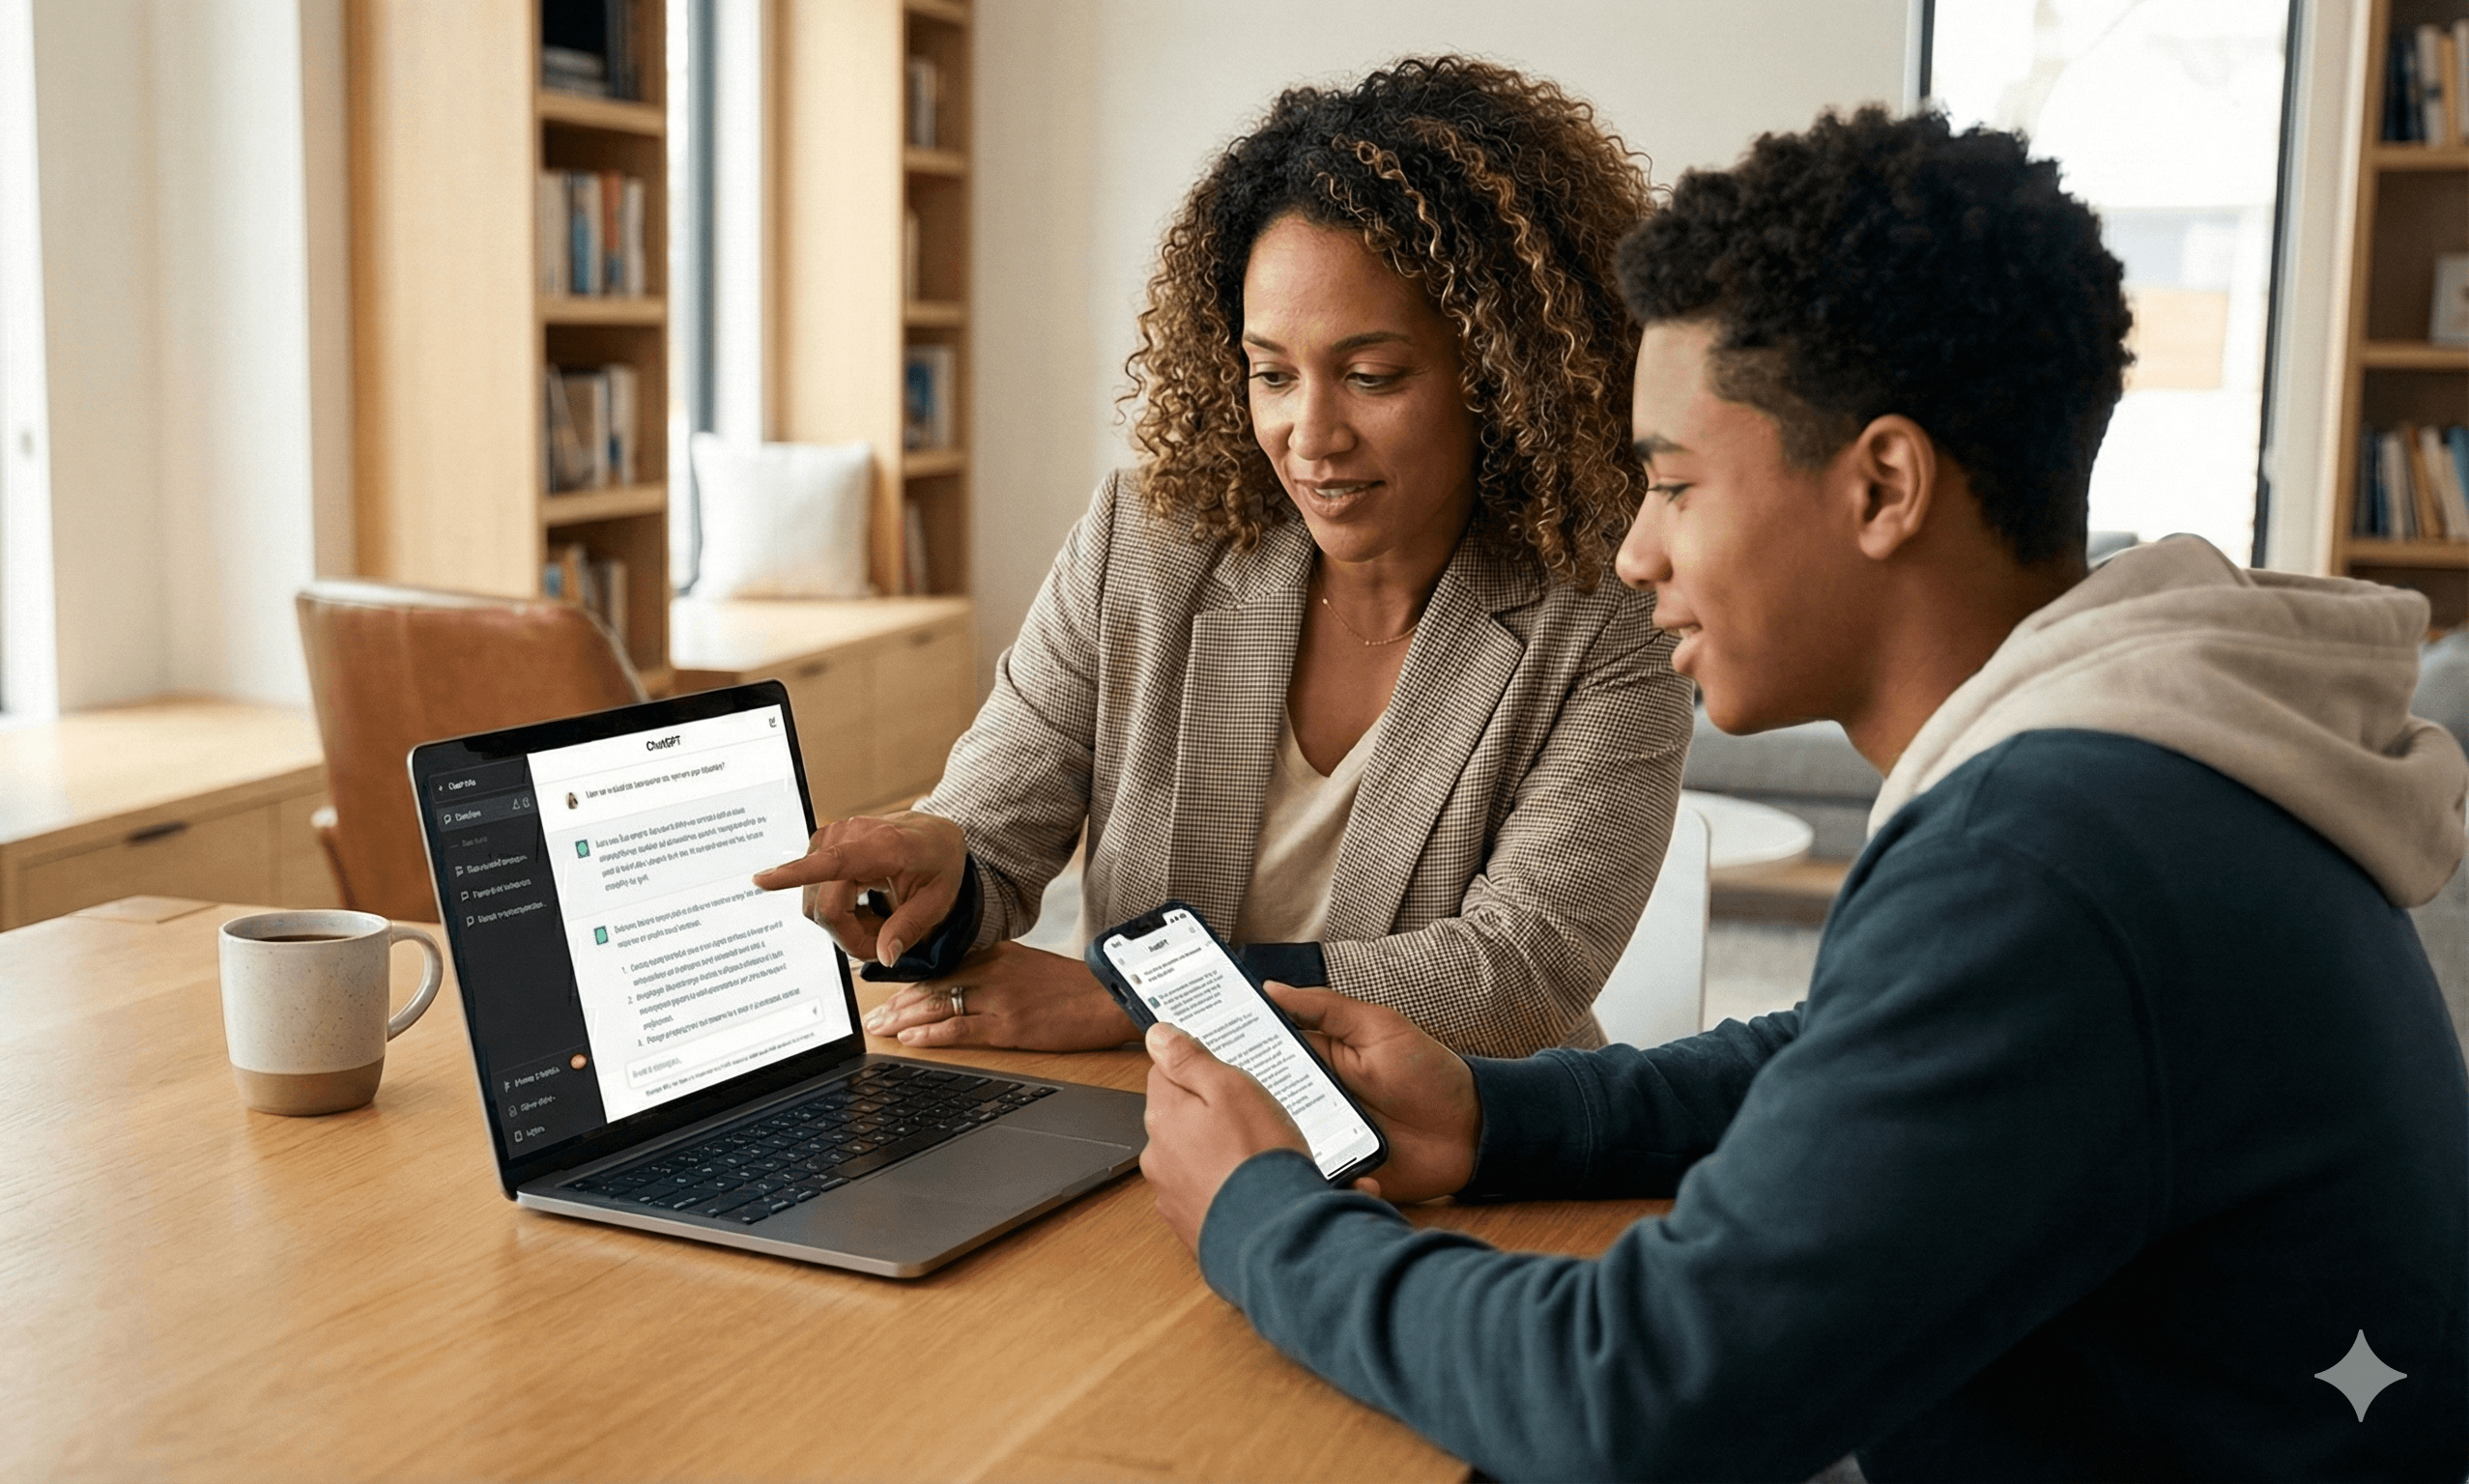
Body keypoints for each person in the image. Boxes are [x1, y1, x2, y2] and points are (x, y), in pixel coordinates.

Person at [1134, 105, 2469, 1480]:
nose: (1638, 553)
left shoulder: (2052, 865)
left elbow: (1634, 1393)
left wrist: (1259, 1211)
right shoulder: (2140, 770)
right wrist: (1495, 1113)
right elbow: (1857, 1052)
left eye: (1672, 485)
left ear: (1884, 484)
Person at [756, 58, 1692, 1058]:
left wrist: (1143, 999)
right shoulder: (1145, 540)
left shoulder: (1611, 598)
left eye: (1370, 376)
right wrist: (938, 865)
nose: (1309, 433)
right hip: (1156, 1119)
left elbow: (1519, 973)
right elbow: (995, 819)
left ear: (1499, 373)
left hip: (1450, 1139)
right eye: (1270, 374)